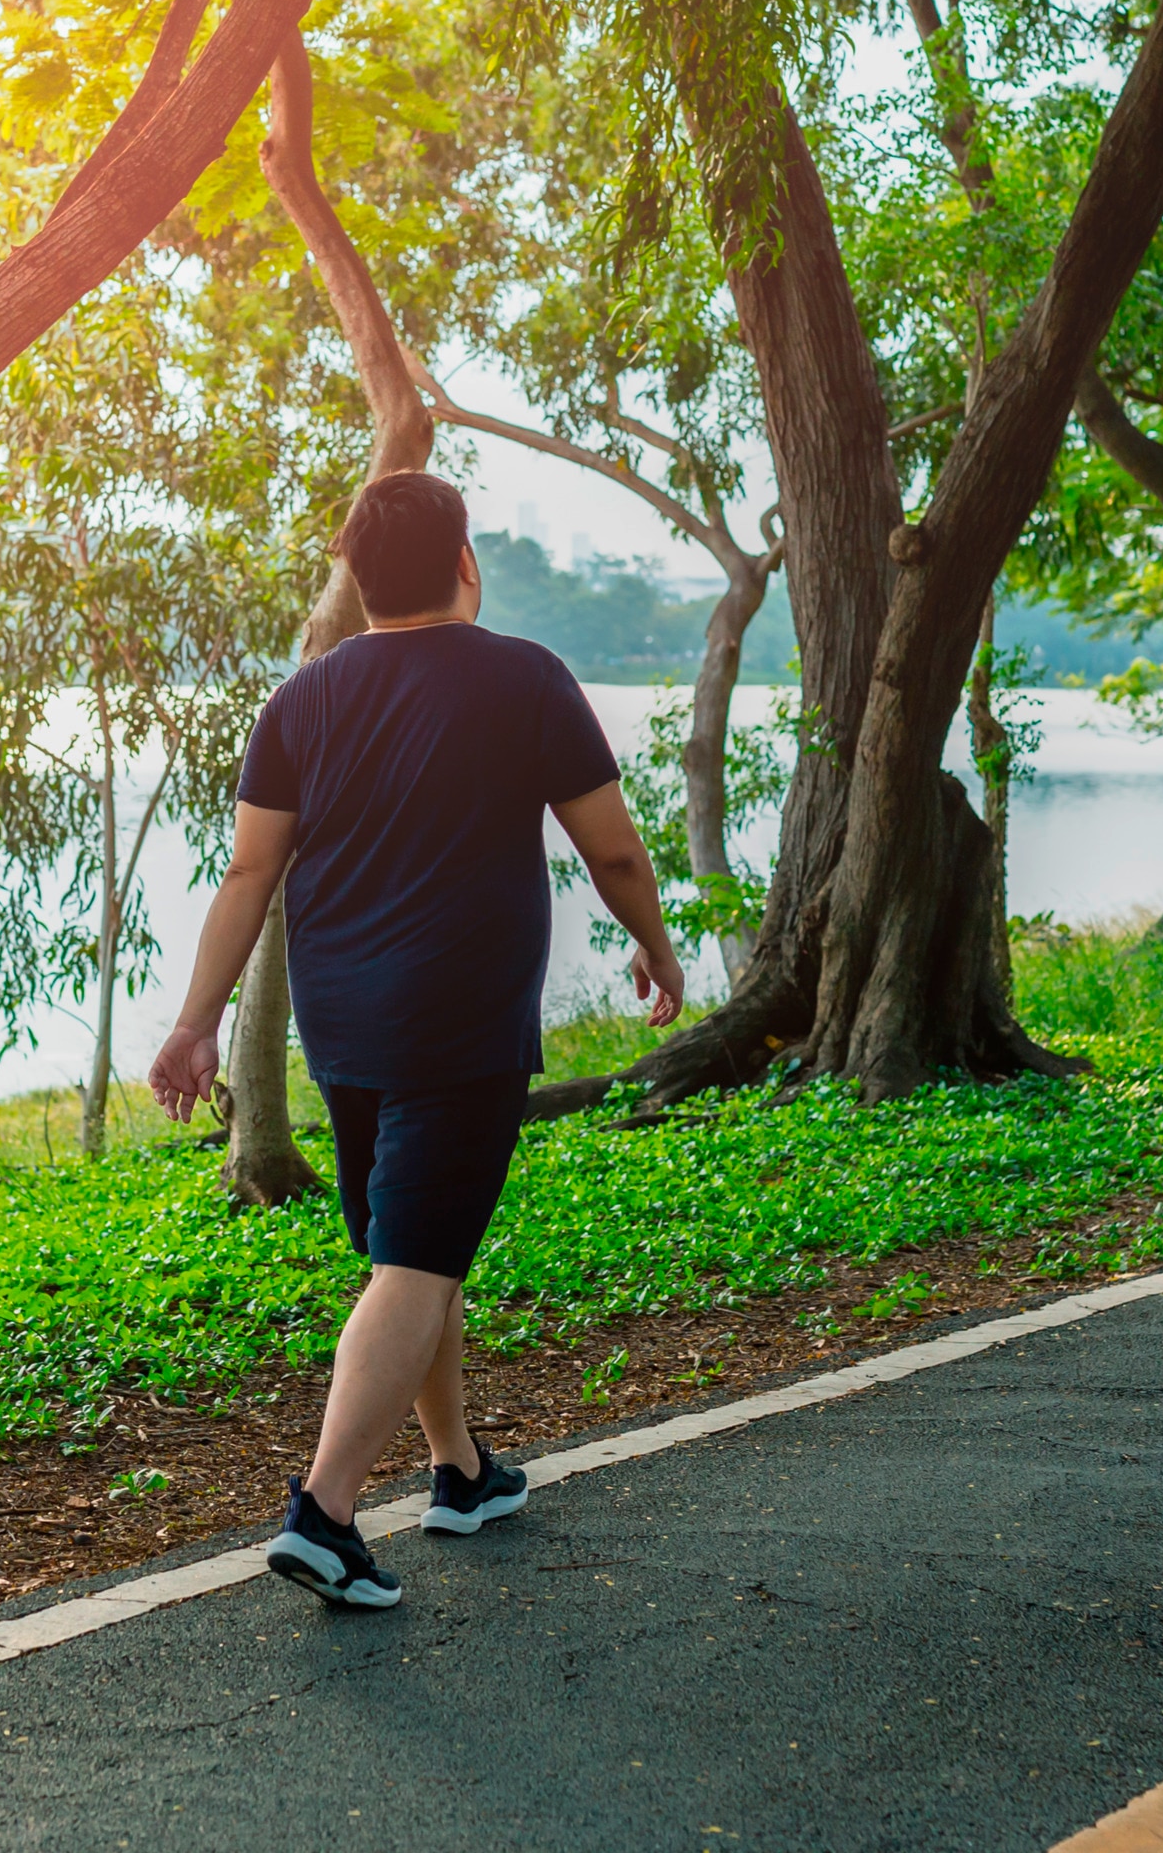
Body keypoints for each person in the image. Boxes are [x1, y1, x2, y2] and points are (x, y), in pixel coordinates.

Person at [148, 471, 685, 1609]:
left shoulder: (301, 701)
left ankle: (460, 1471)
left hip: (345, 1025)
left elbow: (251, 871)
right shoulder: (527, 678)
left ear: (352, 572)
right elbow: (615, 852)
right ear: (465, 562)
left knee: (414, 1247)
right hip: (464, 1018)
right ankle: (325, 1512)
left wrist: (196, 1022)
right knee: (414, 1259)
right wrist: (655, 945)